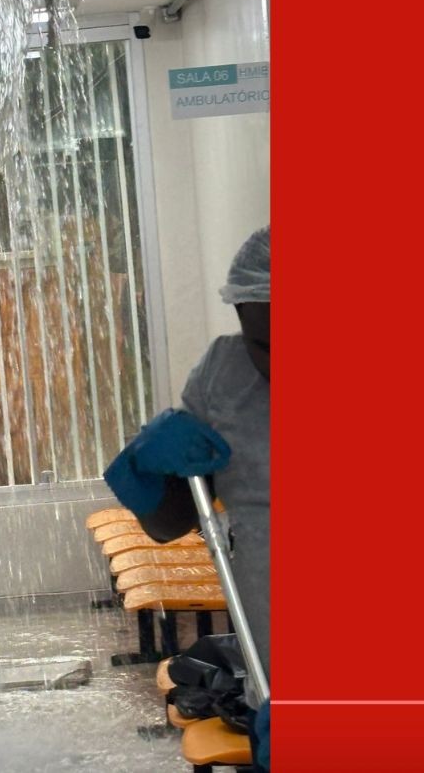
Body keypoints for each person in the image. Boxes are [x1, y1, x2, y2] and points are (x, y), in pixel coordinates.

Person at [183, 226, 270, 716]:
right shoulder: (222, 374)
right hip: (269, 653)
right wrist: (150, 474)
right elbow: (169, 520)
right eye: (265, 346)